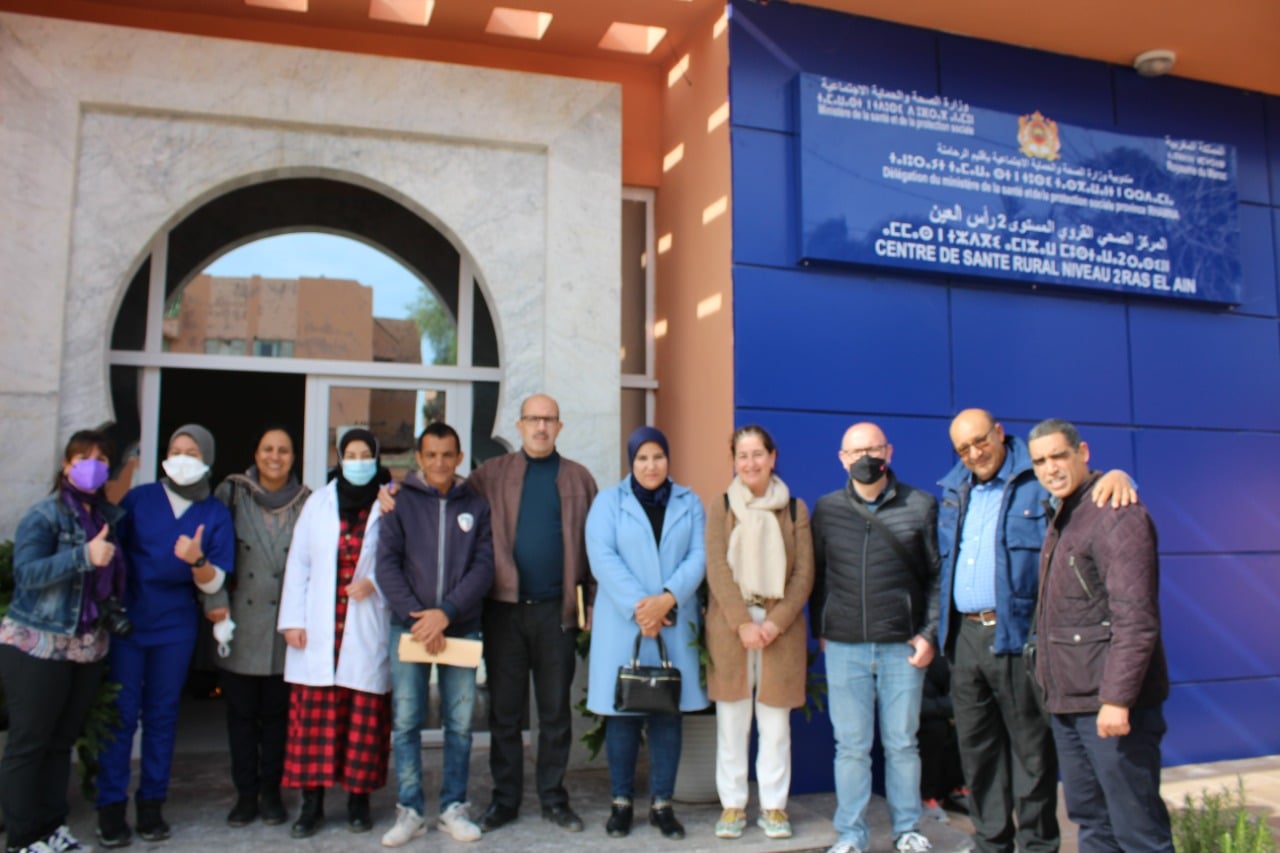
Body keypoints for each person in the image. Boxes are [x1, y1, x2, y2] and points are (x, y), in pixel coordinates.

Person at [938, 409, 1136, 853]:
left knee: (1031, 755)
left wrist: (1121, 476)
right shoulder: (954, 488)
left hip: (1018, 636)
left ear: (999, 433)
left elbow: (1084, 497)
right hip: (965, 639)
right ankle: (991, 843)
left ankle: (1037, 846)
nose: (974, 453)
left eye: (980, 441)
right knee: (977, 752)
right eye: (963, 448)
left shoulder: (1034, 478)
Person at [1027, 419, 1171, 853]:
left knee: (1138, 831)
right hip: (1071, 703)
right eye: (1040, 461)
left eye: (1058, 455)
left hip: (1109, 706)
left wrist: (1118, 699)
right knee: (1092, 823)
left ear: (1082, 452)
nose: (1050, 468)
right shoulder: (1064, 512)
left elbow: (1136, 617)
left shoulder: (1115, 511)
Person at [96, 424, 236, 848]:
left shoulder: (213, 514)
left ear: (207, 459)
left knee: (161, 717)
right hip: (131, 624)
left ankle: (152, 805)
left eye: (191, 451)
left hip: (175, 626)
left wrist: (197, 561)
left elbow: (215, 583)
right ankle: (110, 808)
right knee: (121, 717)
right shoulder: (139, 500)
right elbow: (109, 555)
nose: (181, 457)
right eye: (175, 449)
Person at [467, 394, 598, 834]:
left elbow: (594, 549)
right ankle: (504, 800)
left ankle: (554, 799)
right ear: (519, 425)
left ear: (559, 427)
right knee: (504, 713)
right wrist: (394, 493)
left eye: (549, 420)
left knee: (555, 712)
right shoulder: (491, 475)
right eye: (533, 419)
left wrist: (591, 601)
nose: (541, 427)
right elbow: (443, 499)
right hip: (503, 612)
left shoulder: (579, 479)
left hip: (555, 614)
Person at [811, 422, 940, 853]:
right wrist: (822, 629)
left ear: (889, 451)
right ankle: (851, 835)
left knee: (902, 744)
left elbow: (939, 576)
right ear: (842, 459)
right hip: (845, 646)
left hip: (901, 646)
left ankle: (908, 830)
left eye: (873, 448)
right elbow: (818, 576)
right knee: (850, 747)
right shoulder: (826, 510)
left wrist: (929, 635)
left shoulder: (920, 505)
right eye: (855, 451)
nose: (865, 458)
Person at [0, 430, 124, 853]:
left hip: (86, 647)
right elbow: (28, 573)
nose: (92, 466)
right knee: (29, 742)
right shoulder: (45, 515)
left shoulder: (106, 518)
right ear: (66, 466)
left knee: (60, 743)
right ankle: (21, 837)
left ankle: (52, 827)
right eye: (82, 458)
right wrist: (82, 557)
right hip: (38, 645)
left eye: (100, 459)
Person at [585, 426, 708, 840]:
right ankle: (621, 804)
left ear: (668, 460)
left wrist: (667, 599)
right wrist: (644, 608)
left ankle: (662, 805)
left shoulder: (689, 502)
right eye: (642, 458)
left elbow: (699, 555)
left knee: (666, 714)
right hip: (625, 623)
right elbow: (602, 556)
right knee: (623, 713)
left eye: (657, 457)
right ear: (631, 461)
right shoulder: (608, 502)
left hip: (671, 621)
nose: (650, 465)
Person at [375, 422, 494, 846]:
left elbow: (483, 568)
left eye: (448, 454)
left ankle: (452, 807)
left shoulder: (477, 506)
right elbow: (385, 565)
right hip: (408, 628)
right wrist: (419, 619)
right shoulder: (399, 504)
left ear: (459, 458)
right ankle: (409, 810)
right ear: (419, 458)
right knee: (406, 721)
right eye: (431, 455)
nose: (440, 462)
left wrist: (445, 613)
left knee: (459, 724)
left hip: (460, 627)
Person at [278, 428, 392, 838]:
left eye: (366, 453)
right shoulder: (318, 503)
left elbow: (402, 557)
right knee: (316, 724)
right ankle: (311, 805)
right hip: (320, 630)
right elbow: (300, 563)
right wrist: (293, 620)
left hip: (363, 626)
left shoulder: (389, 503)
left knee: (360, 720)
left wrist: (375, 582)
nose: (358, 461)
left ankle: (358, 802)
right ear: (340, 459)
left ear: (376, 458)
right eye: (351, 454)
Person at [704, 425, 814, 841]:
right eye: (741, 455)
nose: (749, 463)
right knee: (732, 722)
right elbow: (716, 568)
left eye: (757, 454)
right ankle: (733, 805)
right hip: (731, 629)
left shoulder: (794, 510)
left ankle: (774, 807)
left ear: (772, 456)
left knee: (775, 725)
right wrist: (742, 623)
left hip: (778, 630)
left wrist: (771, 623)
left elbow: (804, 575)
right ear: (733, 460)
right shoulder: (721, 506)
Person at [204, 426, 311, 828]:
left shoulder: (308, 502)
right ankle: (245, 795)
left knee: (279, 718)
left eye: (284, 450)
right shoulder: (232, 494)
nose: (275, 457)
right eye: (268, 448)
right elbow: (212, 554)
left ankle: (271, 794)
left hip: (287, 629)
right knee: (241, 718)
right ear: (256, 452)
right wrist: (215, 605)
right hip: (240, 624)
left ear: (293, 457)